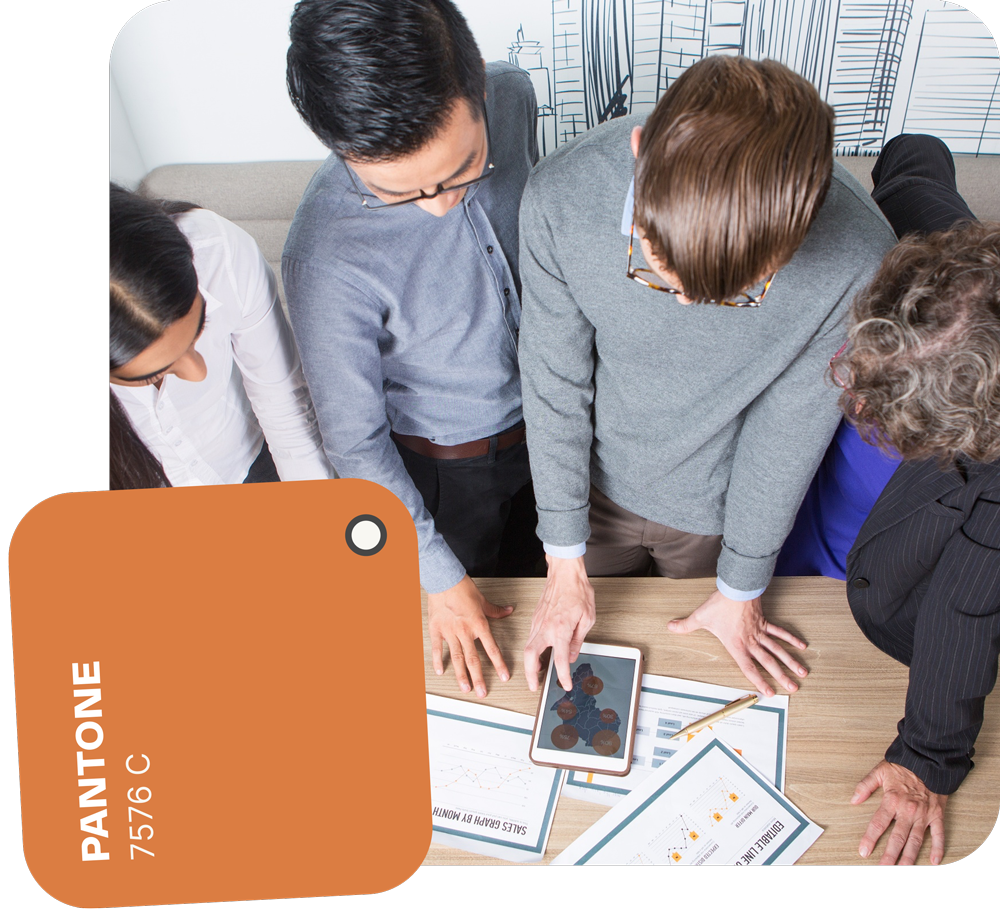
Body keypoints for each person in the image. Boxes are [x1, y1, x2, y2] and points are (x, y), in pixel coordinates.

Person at [517, 55, 897, 694]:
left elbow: (789, 427)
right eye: (657, 266)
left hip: (721, 510)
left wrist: (742, 585)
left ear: (805, 223)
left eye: (734, 292)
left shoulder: (860, 256)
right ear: (640, 153)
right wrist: (563, 559)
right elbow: (554, 382)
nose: (687, 304)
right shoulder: (560, 195)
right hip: (587, 488)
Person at [281, 0, 541, 698]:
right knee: (472, 656)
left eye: (464, 170)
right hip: (446, 476)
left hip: (551, 428)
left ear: (479, 88)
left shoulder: (514, 96)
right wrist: (441, 577)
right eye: (398, 193)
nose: (438, 203)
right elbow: (356, 446)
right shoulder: (323, 257)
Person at [813, 137, 999, 866]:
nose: (850, 392)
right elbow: (917, 157)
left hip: (902, 568)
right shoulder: (954, 273)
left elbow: (966, 603)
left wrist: (926, 759)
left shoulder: (988, 474)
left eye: (874, 409)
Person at [775, 132, 980, 580]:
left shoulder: (965, 471)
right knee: (917, 158)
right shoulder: (909, 255)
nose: (842, 380)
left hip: (863, 565)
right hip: (946, 259)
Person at [110, 183, 334, 489]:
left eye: (200, 327)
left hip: (253, 459)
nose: (198, 372)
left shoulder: (218, 252)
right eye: (152, 375)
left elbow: (282, 401)